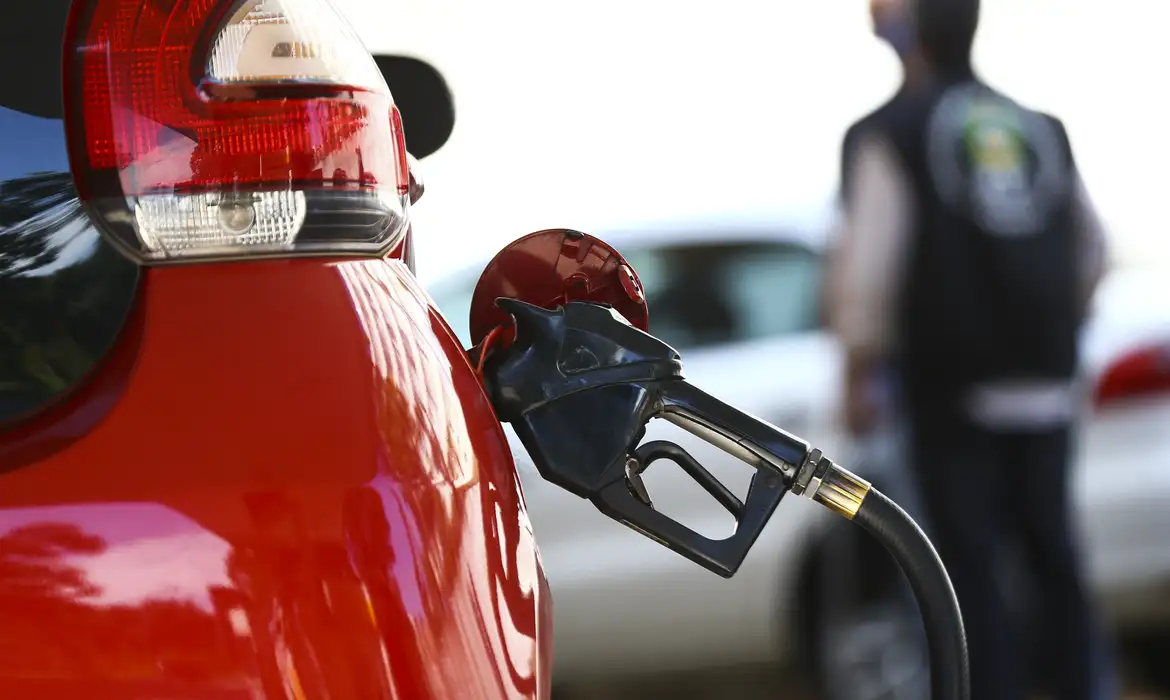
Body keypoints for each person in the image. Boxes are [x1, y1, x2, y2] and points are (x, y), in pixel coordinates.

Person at [826, 1, 1114, 699]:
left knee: (964, 574)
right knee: (1054, 558)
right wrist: (1052, 324)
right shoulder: (1038, 127)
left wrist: (859, 369)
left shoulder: (890, 132)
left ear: (913, 31)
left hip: (950, 389)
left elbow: (870, 270)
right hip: (1044, 383)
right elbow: (1091, 251)